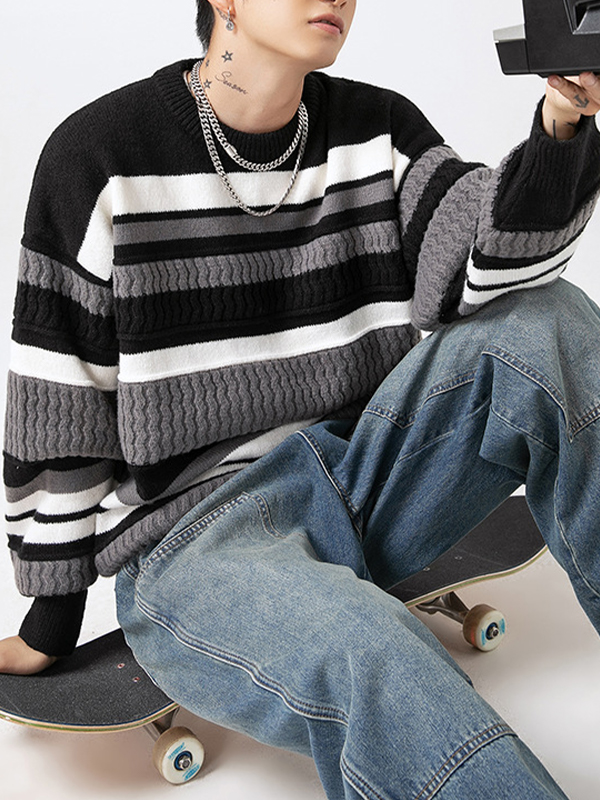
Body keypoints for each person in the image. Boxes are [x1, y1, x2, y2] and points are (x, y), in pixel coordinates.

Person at [1, 0, 600, 796]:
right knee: (374, 654)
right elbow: (59, 399)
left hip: (364, 484)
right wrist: (51, 622)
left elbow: (485, 271)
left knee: (548, 321)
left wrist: (562, 123)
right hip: (200, 546)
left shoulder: (377, 127)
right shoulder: (99, 155)